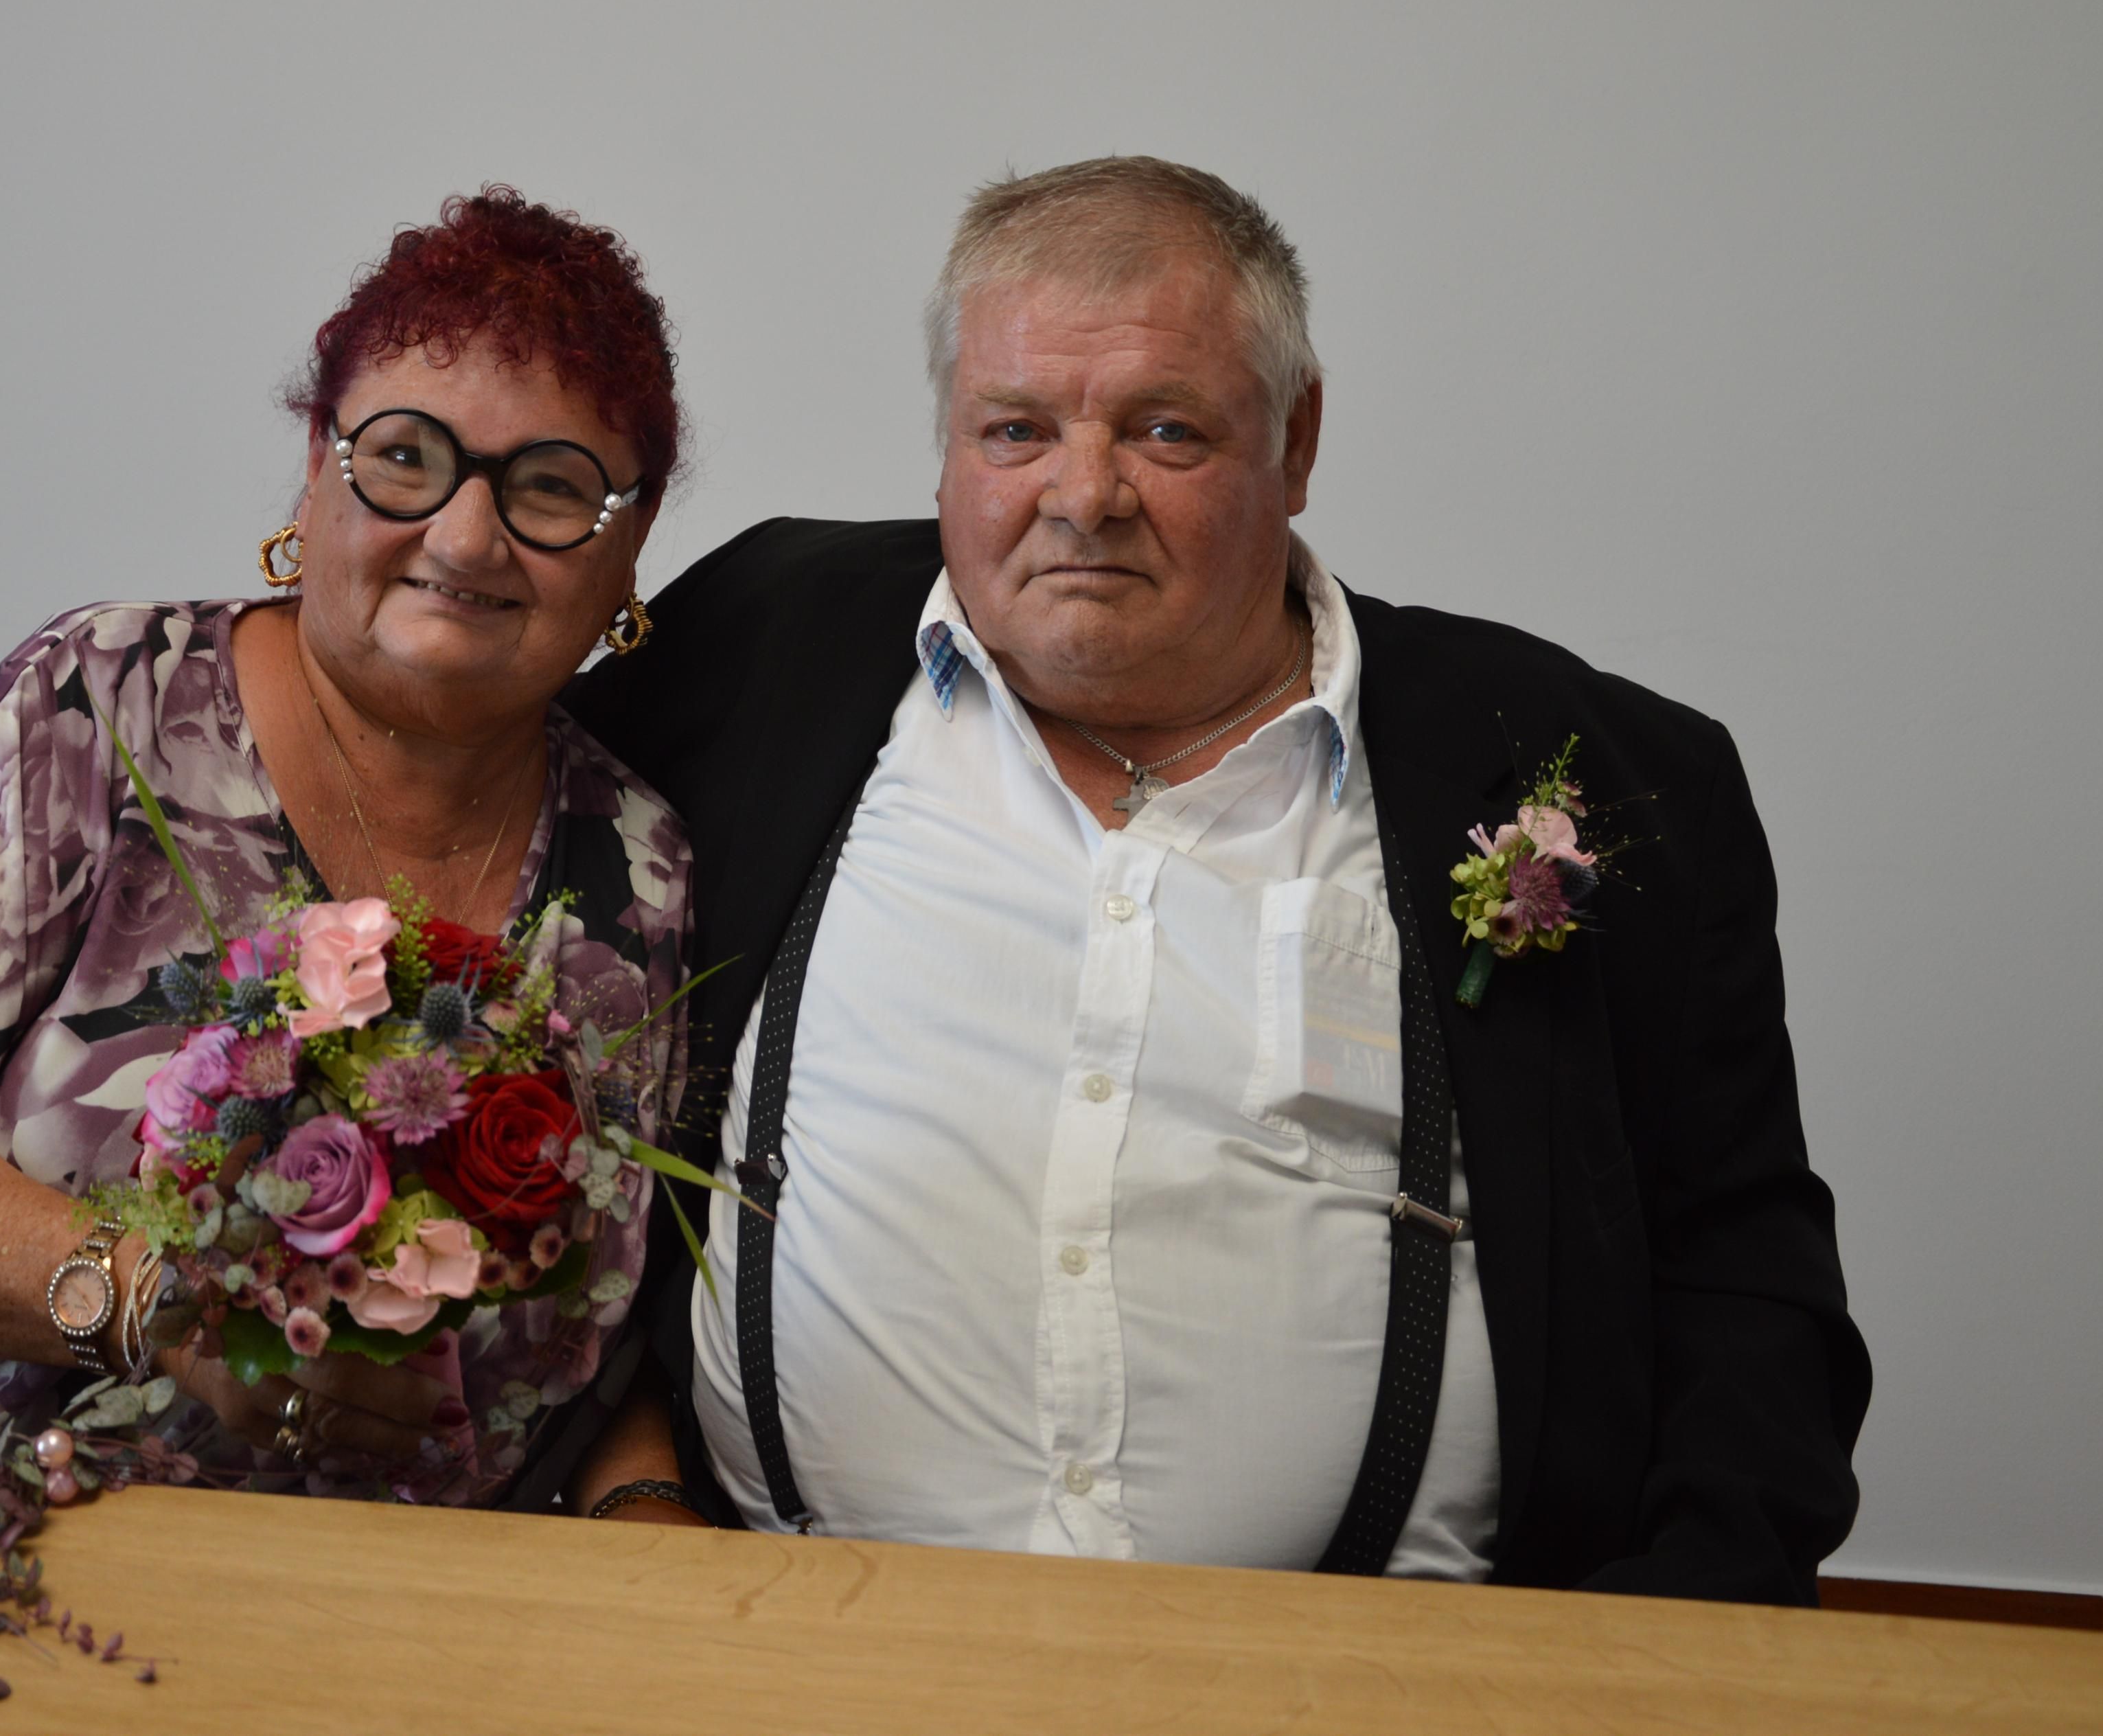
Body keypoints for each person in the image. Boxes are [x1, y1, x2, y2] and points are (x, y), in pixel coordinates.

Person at [568, 156, 1870, 1598]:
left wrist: (1657, 1652)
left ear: (1294, 441)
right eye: (1015, 430)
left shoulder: (1593, 777)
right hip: (787, 1647)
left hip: (1395, 1680)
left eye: (1164, 430)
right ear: (946, 441)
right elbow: (535, 1000)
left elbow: (1739, 1283)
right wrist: (631, 1493)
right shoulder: (756, 650)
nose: (1083, 496)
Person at [0, 188, 706, 1520]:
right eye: (407, 457)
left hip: (391, 1583)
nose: (466, 538)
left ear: (630, 542)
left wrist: (643, 1522)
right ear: (317, 469)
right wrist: (158, 1309)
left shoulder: (639, 869)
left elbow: (621, 1330)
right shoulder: (105, 702)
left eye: (550, 488)